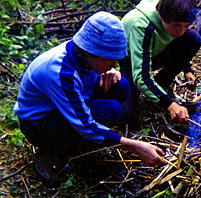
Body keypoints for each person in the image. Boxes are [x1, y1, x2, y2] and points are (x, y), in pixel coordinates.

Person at [14, 11, 165, 183]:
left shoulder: (81, 55)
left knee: (121, 86)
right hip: (40, 124)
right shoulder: (61, 72)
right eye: (110, 59)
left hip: (65, 103)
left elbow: (93, 78)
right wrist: (135, 146)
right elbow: (85, 124)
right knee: (111, 110)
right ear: (93, 52)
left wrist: (109, 71)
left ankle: (82, 141)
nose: (113, 65)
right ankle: (51, 151)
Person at [120, 0, 201, 130]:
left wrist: (187, 69)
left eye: (186, 25)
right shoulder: (142, 24)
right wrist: (169, 104)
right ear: (160, 16)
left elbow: (182, 42)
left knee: (193, 38)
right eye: (176, 25)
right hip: (131, 61)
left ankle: (161, 83)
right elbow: (141, 75)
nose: (181, 31)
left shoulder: (174, 11)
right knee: (128, 116)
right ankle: (154, 92)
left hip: (157, 52)